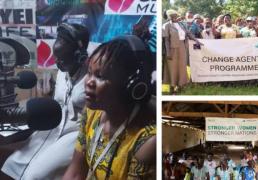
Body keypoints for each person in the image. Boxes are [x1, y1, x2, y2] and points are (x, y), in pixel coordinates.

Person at [1, 23, 89, 180]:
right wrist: (46, 96)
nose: (57, 63)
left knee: (34, 175)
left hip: (75, 133)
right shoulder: (62, 73)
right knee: (11, 164)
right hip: (53, 127)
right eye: (56, 57)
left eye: (62, 59)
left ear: (79, 56)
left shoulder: (92, 78)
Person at [62, 35, 156, 179]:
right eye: (89, 73)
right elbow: (76, 171)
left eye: (100, 76)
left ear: (130, 84)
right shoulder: (91, 113)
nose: (89, 82)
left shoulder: (148, 140)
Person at [163, 9, 202, 94]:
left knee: (182, 68)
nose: (174, 17)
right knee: (172, 68)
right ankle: (172, 87)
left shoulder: (181, 24)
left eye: (175, 15)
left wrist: (197, 41)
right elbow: (166, 40)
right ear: (169, 17)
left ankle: (180, 86)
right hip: (172, 49)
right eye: (172, 16)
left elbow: (189, 34)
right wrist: (168, 52)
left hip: (182, 48)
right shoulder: (166, 25)